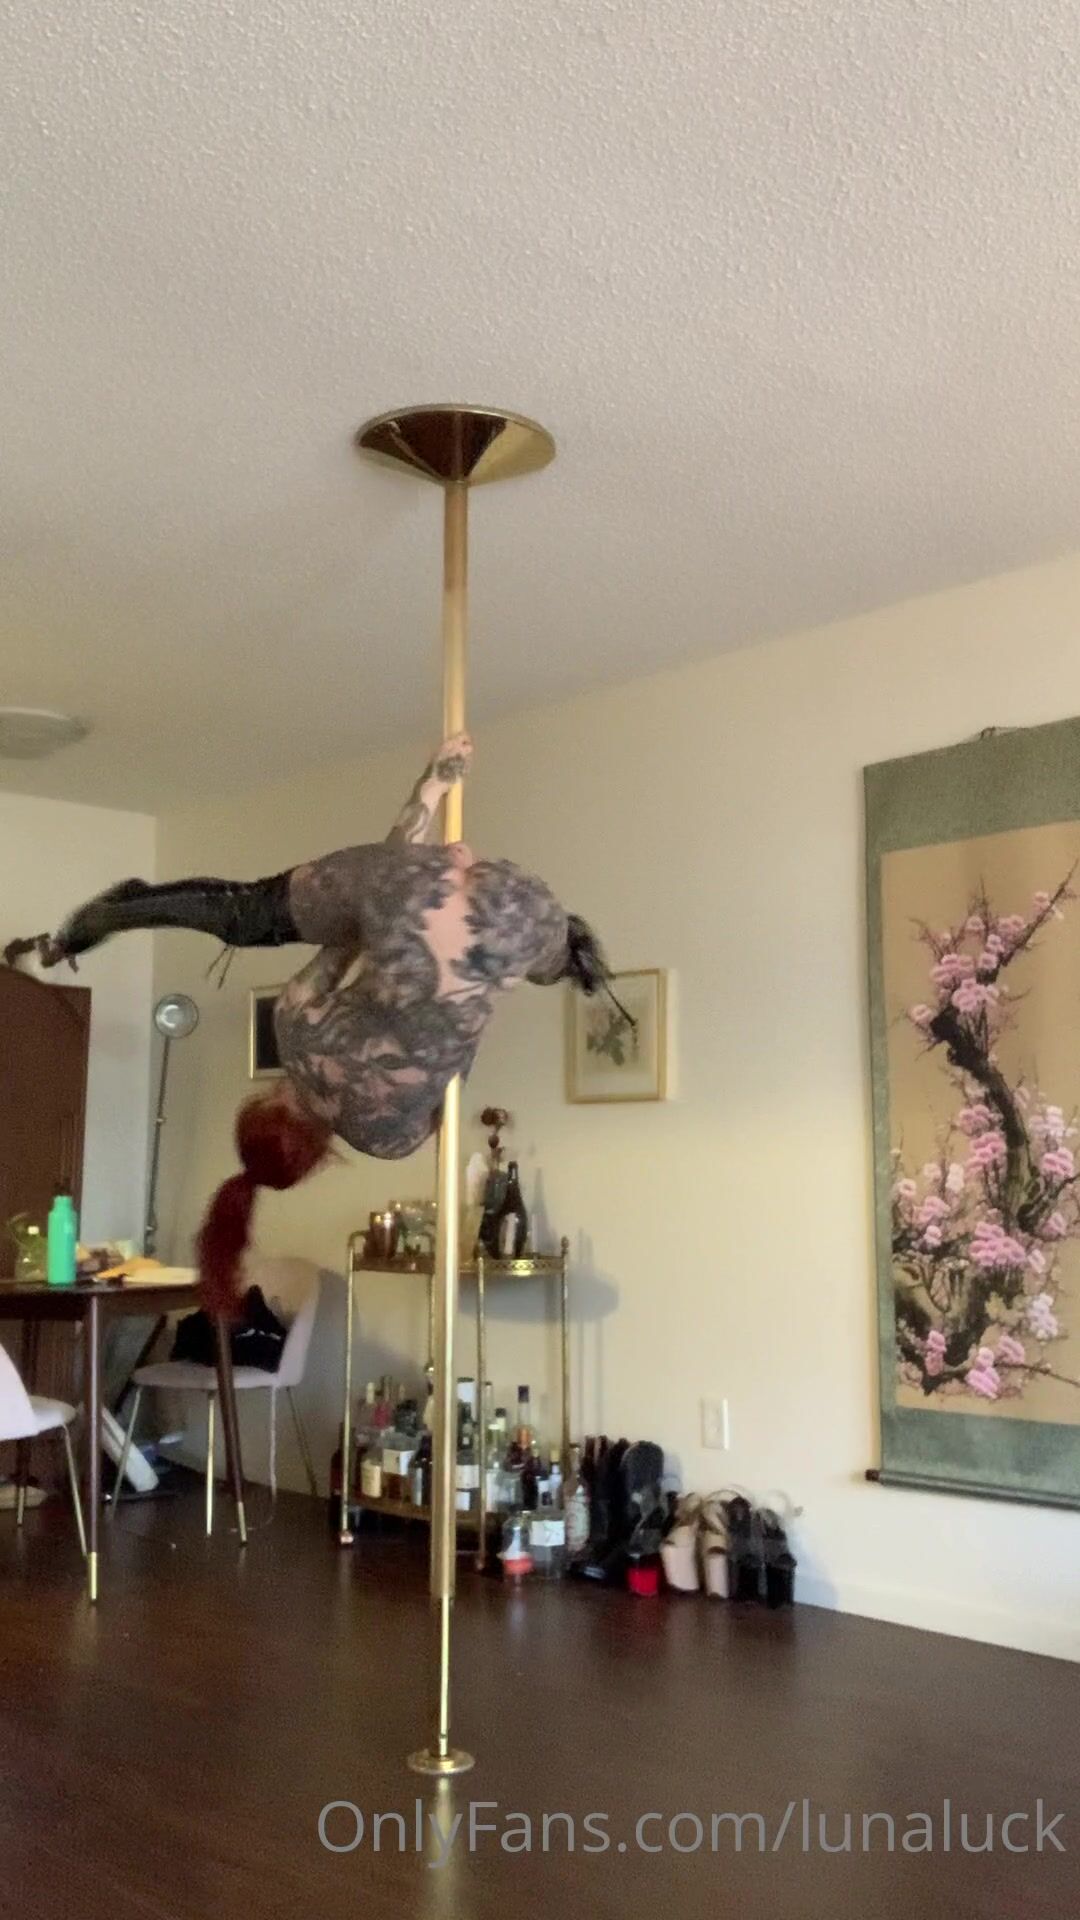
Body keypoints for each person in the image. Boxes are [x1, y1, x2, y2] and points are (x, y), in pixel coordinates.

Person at [12, 735, 626, 1311]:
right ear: (270, 1104)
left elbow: (450, 1075)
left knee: (411, 920)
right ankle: (108, 916)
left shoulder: (388, 1140)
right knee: (250, 913)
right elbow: (344, 940)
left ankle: (553, 953)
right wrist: (422, 817)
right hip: (410, 898)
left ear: (320, 1154)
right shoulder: (297, 1031)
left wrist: (422, 950)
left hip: (502, 928)